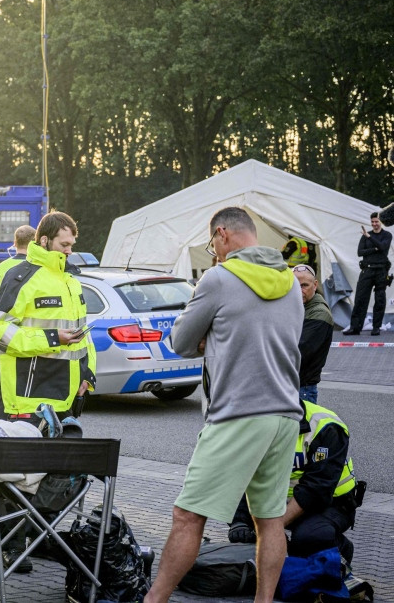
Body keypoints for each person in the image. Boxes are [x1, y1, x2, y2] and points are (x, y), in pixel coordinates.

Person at [144, 207, 303, 603]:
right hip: (284, 416)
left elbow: (180, 342)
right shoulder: (291, 282)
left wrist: (209, 337)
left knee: (187, 516)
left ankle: (153, 600)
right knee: (269, 522)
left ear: (222, 235)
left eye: (212, 243)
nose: (213, 251)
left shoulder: (218, 278)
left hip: (237, 416)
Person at [0, 212, 96, 422]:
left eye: (71, 244)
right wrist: (53, 338)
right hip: (29, 400)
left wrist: (88, 376)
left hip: (66, 397)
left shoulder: (70, 280)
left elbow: (84, 336)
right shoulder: (19, 277)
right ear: (45, 240)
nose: (69, 250)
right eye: (64, 244)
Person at [228, 400, 361, 565]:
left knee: (309, 537)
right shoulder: (253, 422)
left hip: (330, 504)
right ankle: (284, 553)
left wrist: (272, 528)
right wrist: (239, 520)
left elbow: (317, 488)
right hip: (278, 500)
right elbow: (240, 474)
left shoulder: (326, 426)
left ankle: (340, 549)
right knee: (246, 536)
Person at [344, 213, 391, 336]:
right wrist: (374, 249)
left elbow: (382, 247)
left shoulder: (387, 235)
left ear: (380, 222)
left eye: (376, 221)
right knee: (360, 299)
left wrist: (370, 238)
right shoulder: (365, 236)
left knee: (379, 299)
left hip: (381, 270)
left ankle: (376, 327)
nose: (374, 224)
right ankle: (355, 327)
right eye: (373, 222)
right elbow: (360, 252)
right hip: (367, 270)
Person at [293, 265, 333, 404]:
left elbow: (299, 350)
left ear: (315, 285)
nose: (299, 290)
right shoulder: (296, 306)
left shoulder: (319, 313)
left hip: (302, 387)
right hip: (292, 385)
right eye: (295, 285)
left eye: (304, 285)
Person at [0, 224, 36, 312]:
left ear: (15, 243)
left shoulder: (0, 268)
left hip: (0, 322)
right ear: (34, 243)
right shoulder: (37, 266)